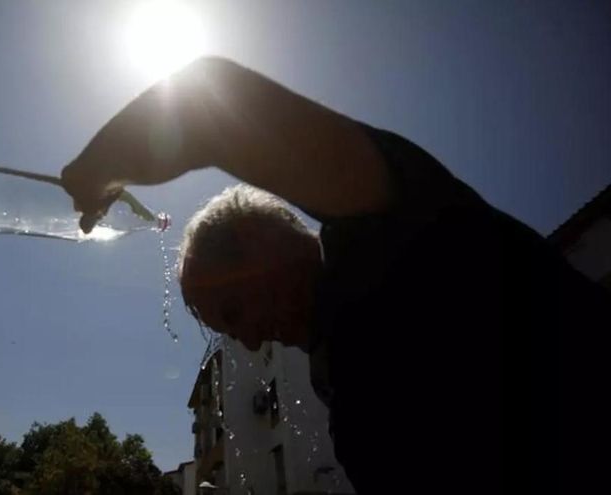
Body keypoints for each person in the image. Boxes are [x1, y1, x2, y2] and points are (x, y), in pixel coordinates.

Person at [62, 57, 609, 494]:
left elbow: (209, 101)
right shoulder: (341, 381)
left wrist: (98, 170)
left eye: (234, 314)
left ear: (259, 240)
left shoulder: (385, 227)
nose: (251, 342)